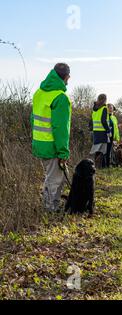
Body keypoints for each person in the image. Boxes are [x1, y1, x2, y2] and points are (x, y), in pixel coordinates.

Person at [31, 63, 72, 213]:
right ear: (67, 77)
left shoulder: (39, 93)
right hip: (52, 146)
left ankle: (48, 206)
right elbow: (60, 128)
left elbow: (33, 119)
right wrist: (63, 152)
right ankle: (50, 210)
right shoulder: (61, 97)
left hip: (39, 143)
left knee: (50, 177)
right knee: (55, 180)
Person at [90, 94, 110, 169]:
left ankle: (95, 167)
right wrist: (108, 130)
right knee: (102, 152)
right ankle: (101, 168)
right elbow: (103, 121)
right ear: (105, 99)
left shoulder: (94, 108)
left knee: (97, 151)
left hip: (96, 132)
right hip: (102, 132)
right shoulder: (104, 108)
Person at [104, 104, 120, 168]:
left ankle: (109, 165)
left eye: (112, 108)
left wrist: (117, 137)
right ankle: (105, 165)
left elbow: (116, 128)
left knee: (110, 151)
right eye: (109, 108)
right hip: (106, 136)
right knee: (106, 151)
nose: (111, 109)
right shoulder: (105, 116)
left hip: (112, 137)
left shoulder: (114, 118)